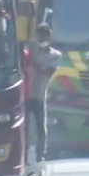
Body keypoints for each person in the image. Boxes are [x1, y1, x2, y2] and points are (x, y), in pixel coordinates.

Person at [26, 24, 61, 162]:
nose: (41, 38)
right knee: (24, 128)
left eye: (44, 35)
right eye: (39, 35)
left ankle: (40, 155)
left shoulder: (55, 55)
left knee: (41, 128)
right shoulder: (30, 48)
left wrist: (32, 63)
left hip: (40, 95)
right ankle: (23, 156)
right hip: (26, 94)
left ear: (49, 37)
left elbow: (48, 72)